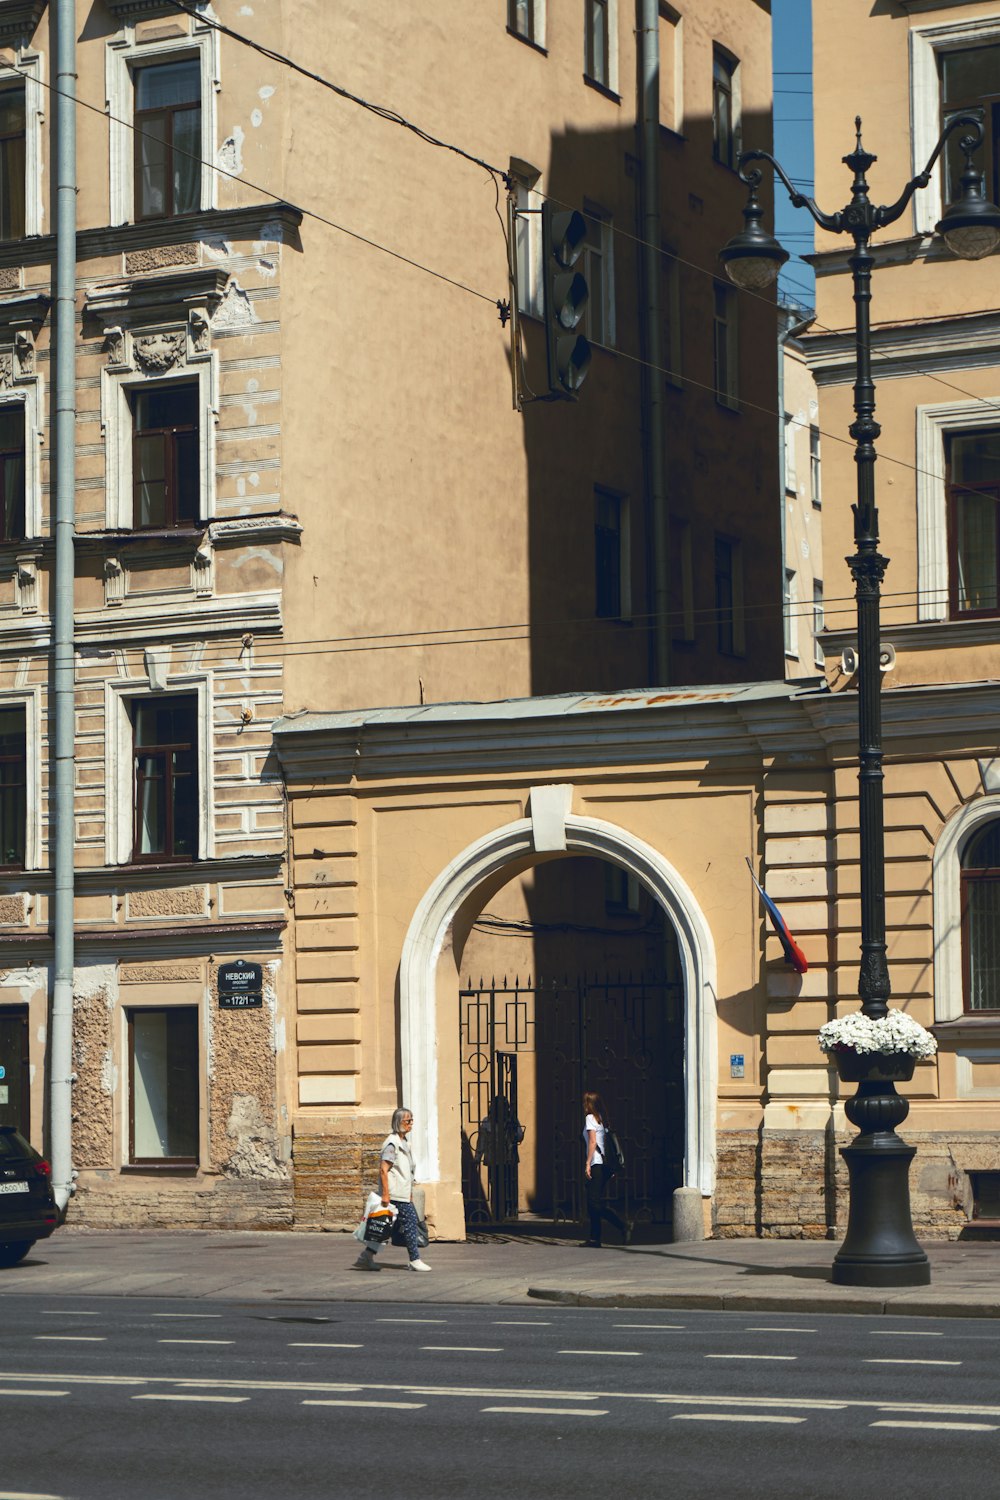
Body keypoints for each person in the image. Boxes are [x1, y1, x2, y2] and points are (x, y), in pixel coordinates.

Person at [354, 1106, 431, 1272]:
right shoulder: (392, 1144)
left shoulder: (403, 1143)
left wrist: (409, 1193)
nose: (411, 1124)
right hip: (395, 1194)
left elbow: (407, 1171)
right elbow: (384, 1170)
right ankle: (414, 1260)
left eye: (412, 1120)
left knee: (385, 1226)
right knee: (410, 1222)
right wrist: (386, 1195)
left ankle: (366, 1256)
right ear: (399, 1123)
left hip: (402, 1193)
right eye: (408, 1121)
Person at [581, 1090, 631, 1248]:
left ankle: (622, 1226)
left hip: (596, 1164)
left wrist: (588, 1163)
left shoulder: (590, 1118)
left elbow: (592, 1142)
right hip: (604, 1165)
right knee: (593, 1202)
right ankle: (595, 1238)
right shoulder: (601, 1119)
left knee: (593, 1203)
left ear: (588, 1104)